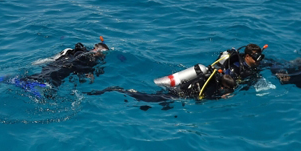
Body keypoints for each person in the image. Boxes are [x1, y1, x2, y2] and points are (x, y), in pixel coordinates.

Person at [88, 44, 266, 107]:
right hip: (175, 95)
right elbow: (204, 98)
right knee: (145, 99)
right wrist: (221, 98)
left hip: (178, 90)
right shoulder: (213, 88)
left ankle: (120, 90)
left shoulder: (212, 79)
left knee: (147, 98)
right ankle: (117, 90)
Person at [0, 40, 109, 97]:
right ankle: (34, 85)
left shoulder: (71, 50)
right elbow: (84, 75)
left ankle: (9, 80)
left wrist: (34, 63)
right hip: (63, 67)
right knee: (54, 78)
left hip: (55, 65)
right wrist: (89, 77)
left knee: (49, 74)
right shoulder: (89, 61)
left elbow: (51, 59)